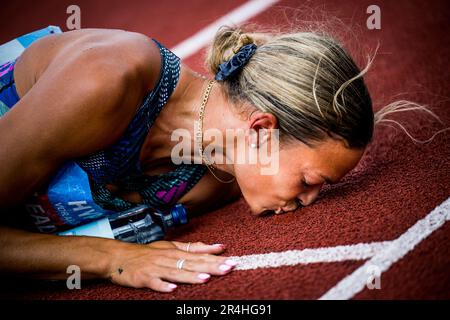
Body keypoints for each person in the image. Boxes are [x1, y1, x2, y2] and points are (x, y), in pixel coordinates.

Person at [0, 25, 424, 292]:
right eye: (310, 179)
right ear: (260, 130)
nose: (310, 200)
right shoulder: (105, 82)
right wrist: (114, 260)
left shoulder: (211, 183)